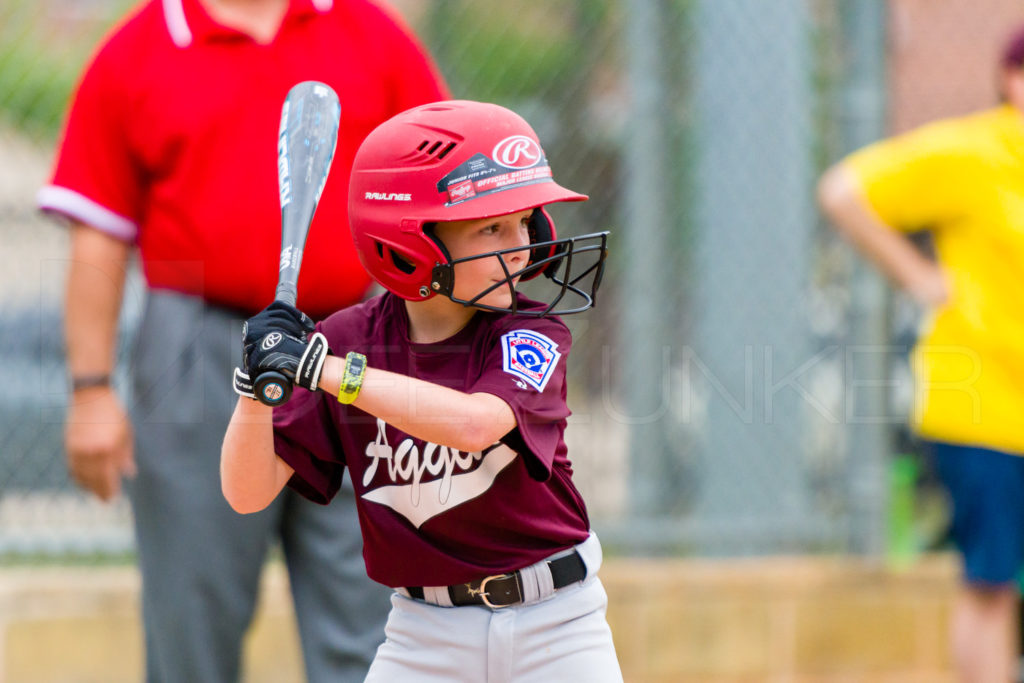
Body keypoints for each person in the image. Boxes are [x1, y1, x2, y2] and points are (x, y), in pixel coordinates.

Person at [37, 1, 449, 681]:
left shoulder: (368, 32)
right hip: (196, 343)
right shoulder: (141, 49)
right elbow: (99, 237)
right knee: (193, 619)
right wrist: (90, 393)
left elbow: (436, 203)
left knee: (375, 626)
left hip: (353, 341)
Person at [221, 99, 623, 682]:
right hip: (423, 637)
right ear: (410, 245)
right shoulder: (346, 340)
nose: (522, 246)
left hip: (557, 625)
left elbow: (474, 425)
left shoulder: (531, 332)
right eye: (492, 226)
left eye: (524, 221)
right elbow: (246, 493)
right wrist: (256, 385)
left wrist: (326, 372)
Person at [817, 24, 1024, 683]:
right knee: (990, 581)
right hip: (984, 404)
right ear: (1009, 79)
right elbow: (845, 190)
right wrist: (920, 277)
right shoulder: (972, 152)